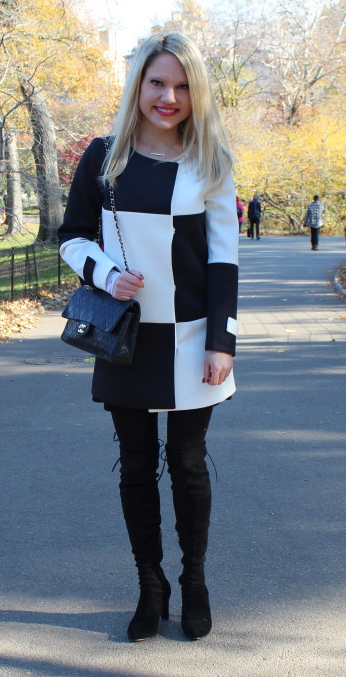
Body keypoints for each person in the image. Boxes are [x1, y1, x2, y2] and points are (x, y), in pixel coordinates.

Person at [58, 32, 238, 642]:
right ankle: (149, 586)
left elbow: (222, 262)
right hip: (126, 337)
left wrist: (223, 342)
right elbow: (71, 236)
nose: (169, 96)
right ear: (138, 83)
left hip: (192, 340)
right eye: (158, 82)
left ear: (198, 93)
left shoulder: (211, 161)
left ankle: (194, 583)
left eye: (183, 86)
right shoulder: (103, 158)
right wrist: (106, 274)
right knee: (135, 467)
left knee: (187, 464)